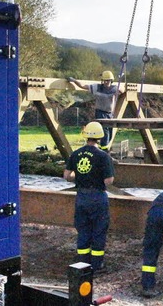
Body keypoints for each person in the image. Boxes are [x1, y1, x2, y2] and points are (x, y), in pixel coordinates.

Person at [63, 121, 115, 274]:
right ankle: (97, 265)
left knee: (83, 229)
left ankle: (82, 264)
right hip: (98, 197)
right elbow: (108, 181)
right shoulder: (103, 156)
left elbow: (67, 175)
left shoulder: (76, 153)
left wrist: (81, 177)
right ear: (100, 137)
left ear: (86, 136)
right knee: (98, 230)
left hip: (81, 197)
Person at [67, 70, 123, 152]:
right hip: (100, 112)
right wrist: (74, 81)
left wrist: (120, 90)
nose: (107, 82)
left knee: (110, 133)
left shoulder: (114, 89)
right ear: (102, 81)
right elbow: (83, 86)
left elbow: (122, 90)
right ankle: (104, 151)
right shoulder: (97, 87)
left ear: (111, 81)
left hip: (110, 114)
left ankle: (103, 149)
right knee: (105, 132)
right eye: (105, 80)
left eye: (108, 80)